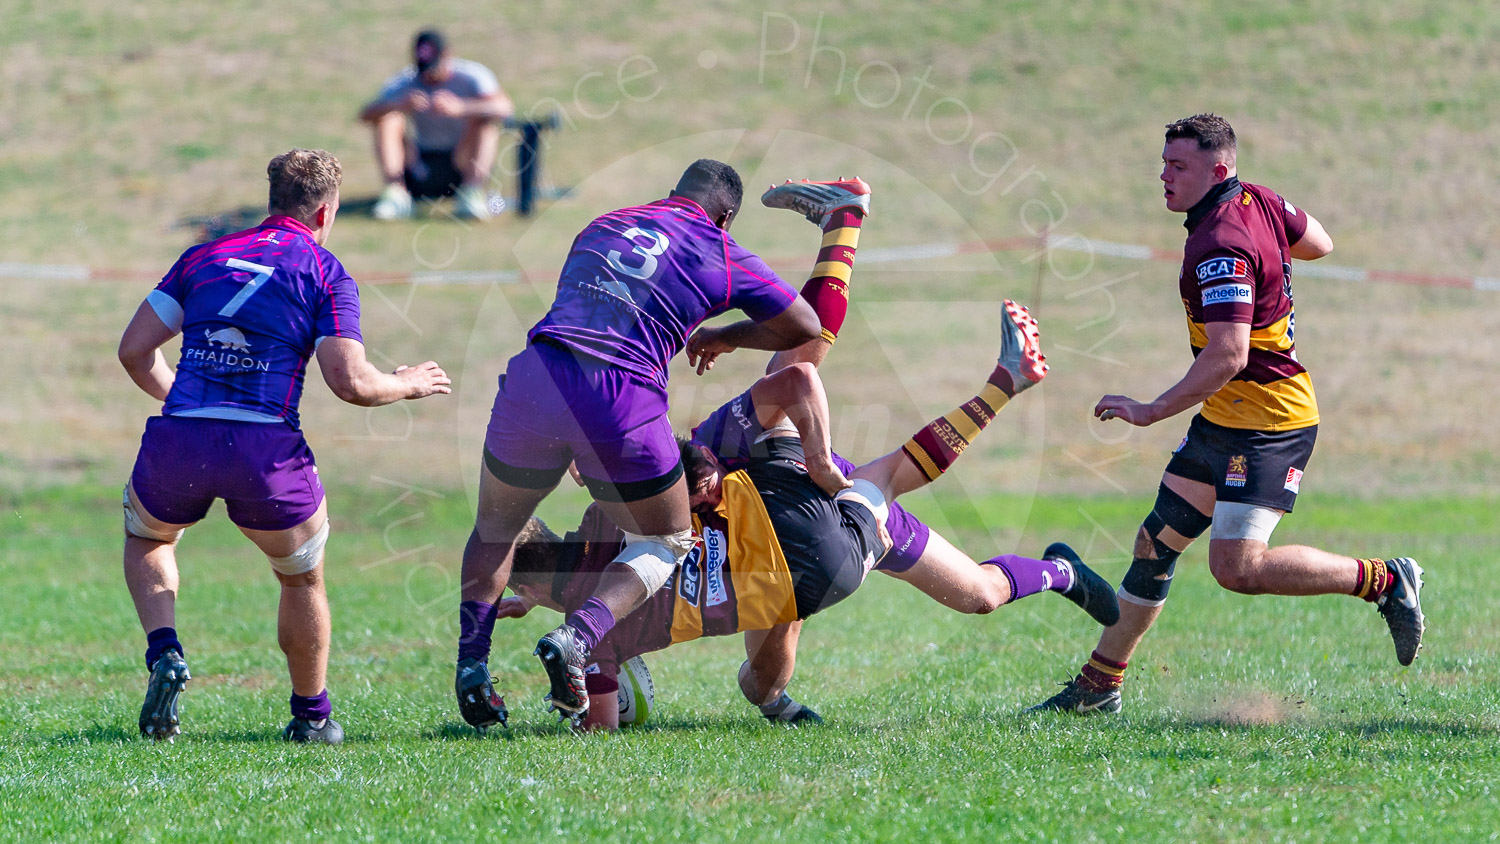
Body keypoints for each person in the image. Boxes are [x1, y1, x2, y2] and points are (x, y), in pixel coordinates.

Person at [493, 302, 1118, 731]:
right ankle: (1062, 570)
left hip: (805, 500)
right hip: (794, 530)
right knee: (977, 593)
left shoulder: (684, 467)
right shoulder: (594, 590)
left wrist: (818, 464)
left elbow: (797, 367)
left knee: (870, 468)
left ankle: (998, 380)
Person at [1030, 114, 1424, 716]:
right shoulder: (1258, 200)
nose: (1164, 177)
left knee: (1237, 568)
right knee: (1154, 544)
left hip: (1269, 425)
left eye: (1177, 166)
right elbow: (1321, 242)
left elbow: (1229, 354)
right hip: (1224, 420)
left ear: (1218, 168)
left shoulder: (1220, 242)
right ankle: (1099, 686)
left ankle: (1386, 580)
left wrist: (1151, 409)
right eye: (1163, 163)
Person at [452, 166, 861, 731]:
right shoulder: (717, 246)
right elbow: (803, 328)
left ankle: (471, 665)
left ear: (672, 194)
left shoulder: (604, 224)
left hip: (538, 376)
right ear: (725, 217)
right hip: (622, 397)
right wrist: (726, 335)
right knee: (669, 537)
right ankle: (578, 636)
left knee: (496, 526)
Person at [117, 149, 452, 743]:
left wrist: (185, 401)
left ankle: (164, 651)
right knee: (299, 578)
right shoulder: (323, 270)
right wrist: (408, 383)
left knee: (149, 536)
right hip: (265, 450)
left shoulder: (202, 256)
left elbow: (134, 350)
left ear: (272, 199)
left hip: (182, 438)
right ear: (325, 212)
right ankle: (311, 716)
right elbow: (350, 383)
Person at [359, 29, 514, 221]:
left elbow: (505, 108)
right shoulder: (406, 80)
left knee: (484, 121)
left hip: (460, 159)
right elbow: (365, 115)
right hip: (420, 161)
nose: (429, 77)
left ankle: (471, 192)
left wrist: (461, 108)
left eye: (434, 68)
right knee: (389, 118)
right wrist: (400, 105)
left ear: (448, 55)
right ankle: (396, 192)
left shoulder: (472, 76)